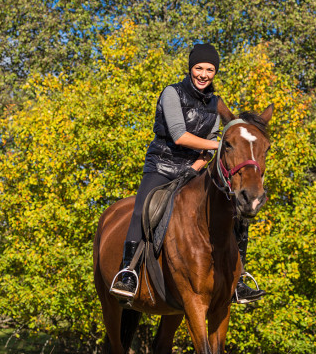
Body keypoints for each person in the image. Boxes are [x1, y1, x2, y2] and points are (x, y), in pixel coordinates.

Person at [110, 43, 266, 303]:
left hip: (194, 169)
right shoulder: (172, 93)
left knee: (235, 211)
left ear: (214, 72)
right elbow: (180, 136)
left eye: (209, 69)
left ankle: (239, 280)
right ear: (190, 68)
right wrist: (220, 145)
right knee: (142, 208)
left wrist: (197, 166)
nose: (203, 74)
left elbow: (213, 140)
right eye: (199, 68)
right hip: (161, 165)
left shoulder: (216, 104)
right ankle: (128, 273)